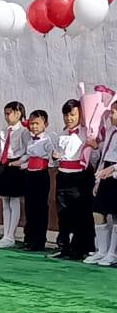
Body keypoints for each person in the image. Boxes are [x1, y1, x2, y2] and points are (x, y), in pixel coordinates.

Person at [52, 99, 94, 260]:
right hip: (63, 175)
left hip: (79, 177)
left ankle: (79, 249)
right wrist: (55, 157)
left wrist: (93, 146)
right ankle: (64, 247)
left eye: (72, 114)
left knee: (80, 214)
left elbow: (94, 156)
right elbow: (57, 156)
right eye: (66, 115)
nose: (68, 118)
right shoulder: (61, 134)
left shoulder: (87, 133)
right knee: (63, 213)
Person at [0, 102, 30, 249]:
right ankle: (5, 233)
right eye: (5, 114)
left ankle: (11, 235)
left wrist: (21, 162)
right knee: (5, 201)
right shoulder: (4, 131)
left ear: (18, 113)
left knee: (14, 200)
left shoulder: (23, 131)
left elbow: (28, 150)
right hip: (4, 165)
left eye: (9, 113)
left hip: (16, 166)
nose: (7, 117)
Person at [88, 102, 117, 266]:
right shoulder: (111, 131)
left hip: (115, 172)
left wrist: (113, 169)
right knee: (98, 212)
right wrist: (98, 180)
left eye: (113, 112)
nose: (110, 116)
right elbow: (104, 155)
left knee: (116, 215)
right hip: (106, 171)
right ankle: (102, 250)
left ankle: (112, 253)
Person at [22, 110, 54, 252]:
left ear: (45, 124)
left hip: (41, 175)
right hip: (30, 174)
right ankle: (29, 238)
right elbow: (28, 157)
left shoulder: (48, 140)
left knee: (40, 208)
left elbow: (51, 159)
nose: (34, 126)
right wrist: (21, 163)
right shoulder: (30, 140)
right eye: (32, 123)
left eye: (37, 123)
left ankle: (39, 241)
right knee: (29, 207)